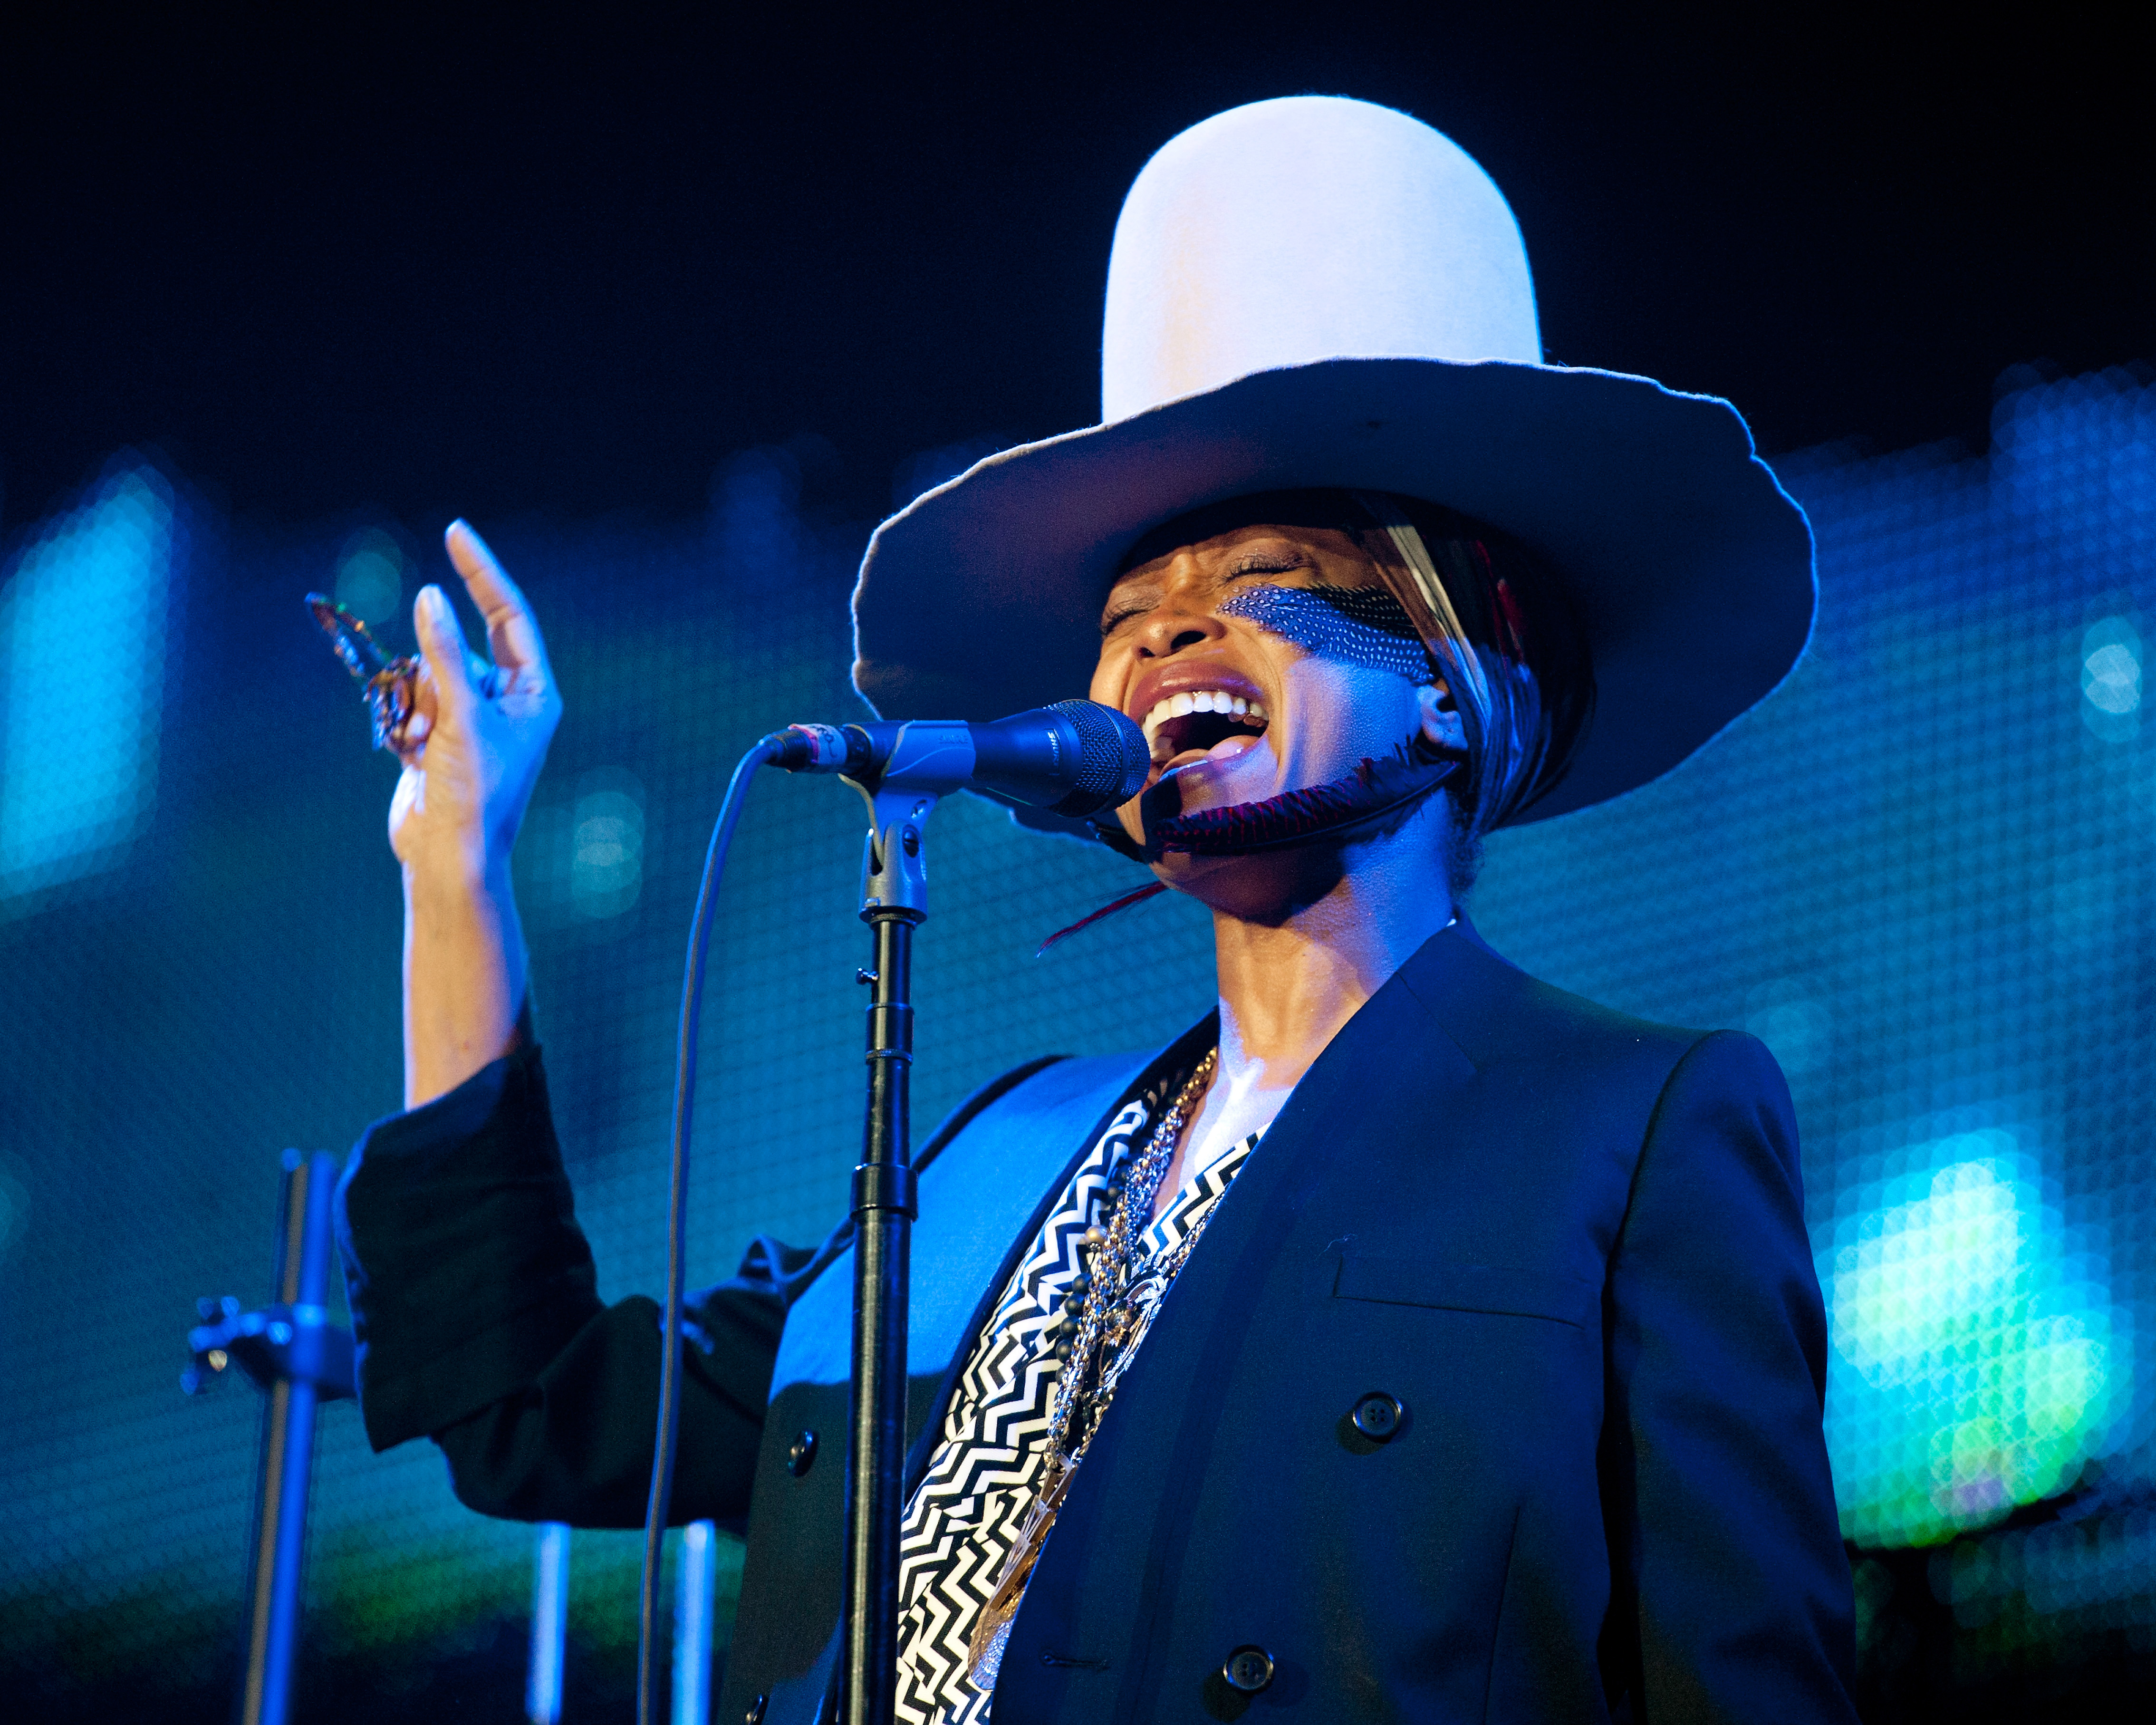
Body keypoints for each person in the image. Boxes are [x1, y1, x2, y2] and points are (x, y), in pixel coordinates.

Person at [336, 97, 1858, 1723]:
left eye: (1265, 588)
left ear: (1451, 679)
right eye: (1133, 619)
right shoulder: (992, 1165)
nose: (1169, 643)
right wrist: (457, 866)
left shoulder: (1628, 1130)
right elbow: (533, 1398)